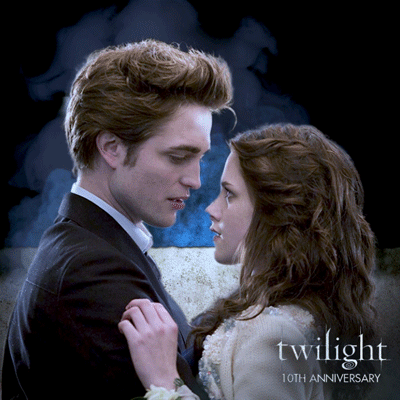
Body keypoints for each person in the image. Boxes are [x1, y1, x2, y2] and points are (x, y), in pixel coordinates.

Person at [2, 39, 233, 399]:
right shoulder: (92, 273)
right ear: (111, 147)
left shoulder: (95, 244)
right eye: (178, 157)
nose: (196, 180)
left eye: (200, 157)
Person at [118, 124, 377, 400]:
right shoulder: (286, 313)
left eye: (229, 195)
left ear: (278, 213)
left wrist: (165, 381)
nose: (212, 209)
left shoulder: (272, 334)